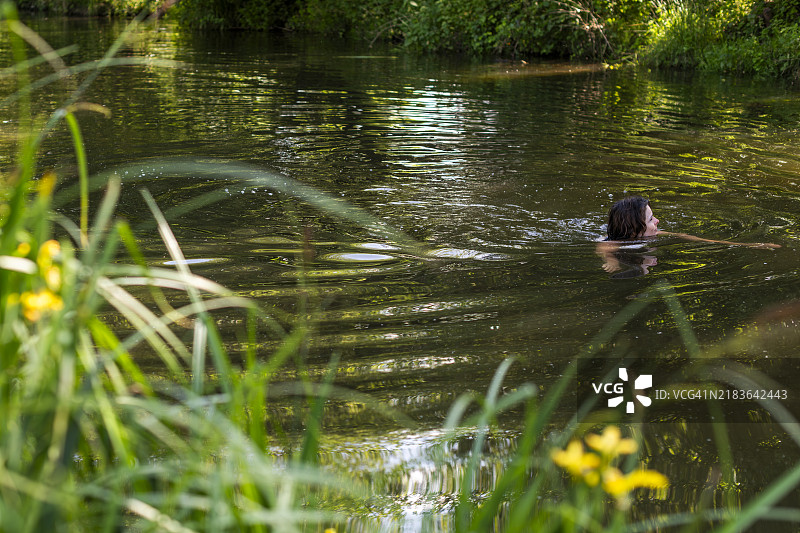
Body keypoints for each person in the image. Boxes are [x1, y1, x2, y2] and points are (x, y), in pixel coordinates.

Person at [597, 195, 780, 274]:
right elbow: (604, 247)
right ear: (635, 229)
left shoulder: (654, 234)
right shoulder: (617, 242)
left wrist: (749, 246)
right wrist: (611, 261)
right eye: (652, 219)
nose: (658, 221)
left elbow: (690, 237)